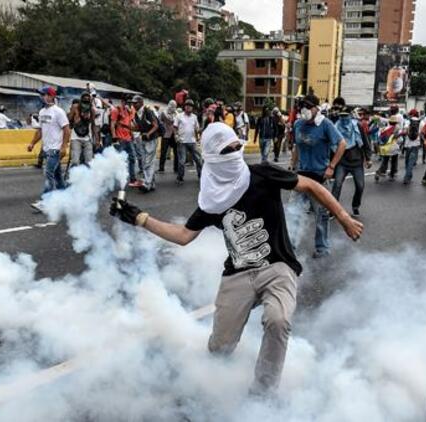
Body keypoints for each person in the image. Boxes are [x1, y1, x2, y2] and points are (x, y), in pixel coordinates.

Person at [109, 122, 363, 395]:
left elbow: (311, 185)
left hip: (277, 265)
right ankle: (215, 382)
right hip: (238, 274)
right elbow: (183, 235)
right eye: (226, 150)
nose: (234, 153)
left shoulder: (262, 174)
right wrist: (140, 218)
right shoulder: (211, 200)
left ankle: (263, 394)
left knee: (277, 320)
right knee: (219, 348)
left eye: (236, 147)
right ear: (212, 157)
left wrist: (344, 217)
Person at [291, 94, 347, 258]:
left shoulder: (325, 125)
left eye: (309, 106)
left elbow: (342, 144)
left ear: (317, 108)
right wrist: (292, 164)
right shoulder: (298, 124)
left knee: (321, 215)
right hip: (301, 177)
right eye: (303, 106)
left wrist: (331, 166)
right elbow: (297, 146)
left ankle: (322, 248)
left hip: (319, 177)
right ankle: (290, 247)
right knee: (294, 213)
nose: (305, 110)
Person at [27, 86, 71, 212]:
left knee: (48, 173)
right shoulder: (41, 112)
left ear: (51, 96)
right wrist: (32, 143)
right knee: (57, 177)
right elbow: (40, 131)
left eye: (44, 94)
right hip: (46, 149)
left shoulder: (58, 112)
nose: (42, 97)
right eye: (41, 95)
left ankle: (45, 201)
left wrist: (64, 146)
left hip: (55, 149)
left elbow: (66, 130)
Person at [332, 106, 372, 216]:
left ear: (350, 116)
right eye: (342, 116)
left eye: (346, 116)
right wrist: (330, 164)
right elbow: (331, 145)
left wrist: (368, 158)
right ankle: (333, 209)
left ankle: (355, 206)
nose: (344, 118)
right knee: (337, 184)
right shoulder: (336, 127)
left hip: (357, 163)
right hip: (342, 162)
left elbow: (365, 141)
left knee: (360, 186)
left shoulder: (357, 126)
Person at [111, 94, 140, 188]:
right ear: (122, 102)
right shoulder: (116, 110)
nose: (129, 104)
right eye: (127, 102)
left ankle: (132, 179)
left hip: (128, 138)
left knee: (132, 158)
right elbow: (112, 124)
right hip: (120, 138)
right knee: (119, 160)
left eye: (130, 102)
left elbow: (132, 124)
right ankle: (111, 179)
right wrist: (114, 137)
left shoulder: (129, 111)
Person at [132, 95, 159, 193]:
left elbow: (155, 125)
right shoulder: (136, 114)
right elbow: (139, 128)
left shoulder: (147, 111)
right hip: (144, 139)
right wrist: (127, 127)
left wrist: (148, 133)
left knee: (148, 161)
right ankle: (152, 183)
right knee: (146, 161)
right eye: (133, 103)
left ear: (141, 103)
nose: (134, 105)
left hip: (151, 139)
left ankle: (147, 184)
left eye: (136, 103)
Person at [174, 99, 202, 185]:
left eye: (190, 106)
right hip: (182, 141)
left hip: (192, 141)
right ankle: (180, 177)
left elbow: (197, 129)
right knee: (182, 161)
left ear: (192, 108)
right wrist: (176, 136)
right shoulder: (179, 116)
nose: (188, 107)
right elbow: (175, 127)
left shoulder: (194, 117)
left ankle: (201, 176)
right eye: (187, 105)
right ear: (184, 107)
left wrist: (199, 137)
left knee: (198, 160)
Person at [68, 91, 97, 168]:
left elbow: (93, 125)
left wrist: (95, 139)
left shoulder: (92, 110)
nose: (86, 102)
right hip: (75, 138)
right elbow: (69, 119)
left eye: (88, 100)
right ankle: (72, 178)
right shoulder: (75, 107)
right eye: (85, 99)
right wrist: (75, 121)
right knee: (75, 161)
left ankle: (85, 178)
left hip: (87, 138)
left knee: (89, 162)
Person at [375, 115, 401, 182]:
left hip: (385, 148)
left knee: (385, 161)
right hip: (393, 147)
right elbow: (398, 138)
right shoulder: (397, 128)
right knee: (393, 162)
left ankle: (378, 172)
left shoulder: (384, 128)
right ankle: (391, 176)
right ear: (395, 122)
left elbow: (379, 136)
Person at [158, 100, 178, 174]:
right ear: (169, 105)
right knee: (163, 151)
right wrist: (162, 128)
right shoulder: (164, 112)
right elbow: (159, 120)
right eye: (172, 105)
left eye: (174, 106)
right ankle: (161, 168)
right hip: (166, 134)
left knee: (176, 152)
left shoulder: (176, 113)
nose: (173, 107)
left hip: (174, 134)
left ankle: (176, 168)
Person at [403, 109, 422, 185]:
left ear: (411, 114)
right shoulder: (421, 122)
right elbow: (421, 133)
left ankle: (408, 176)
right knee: (411, 162)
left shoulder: (408, 121)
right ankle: (408, 177)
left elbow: (405, 131)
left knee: (407, 162)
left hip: (408, 145)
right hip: (416, 145)